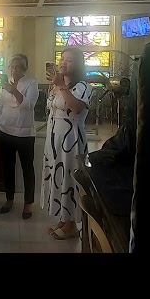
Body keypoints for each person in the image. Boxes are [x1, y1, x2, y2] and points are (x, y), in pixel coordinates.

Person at [40, 47, 94, 240]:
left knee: (69, 179)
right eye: (62, 58)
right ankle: (64, 219)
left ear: (78, 64)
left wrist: (62, 86)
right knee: (57, 177)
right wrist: (59, 85)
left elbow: (76, 108)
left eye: (69, 60)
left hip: (71, 141)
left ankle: (71, 225)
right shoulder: (56, 85)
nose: (63, 62)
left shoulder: (84, 86)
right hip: (54, 139)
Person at [0, 54, 39, 220]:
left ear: (24, 68)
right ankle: (9, 199)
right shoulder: (5, 84)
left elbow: (29, 106)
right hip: (5, 130)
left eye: (18, 67)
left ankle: (28, 203)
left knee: (27, 168)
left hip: (24, 133)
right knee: (8, 167)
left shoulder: (31, 83)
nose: (14, 70)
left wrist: (14, 91)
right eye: (12, 67)